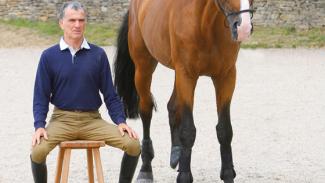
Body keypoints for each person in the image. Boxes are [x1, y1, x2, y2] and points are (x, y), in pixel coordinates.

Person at [30, 1, 140, 183]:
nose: (77, 25)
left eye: (81, 20)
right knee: (37, 151)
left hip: (92, 121)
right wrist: (39, 126)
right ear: (61, 23)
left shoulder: (98, 55)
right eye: (72, 20)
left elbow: (110, 94)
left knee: (133, 145)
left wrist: (120, 121)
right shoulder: (49, 56)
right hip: (62, 120)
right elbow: (40, 95)